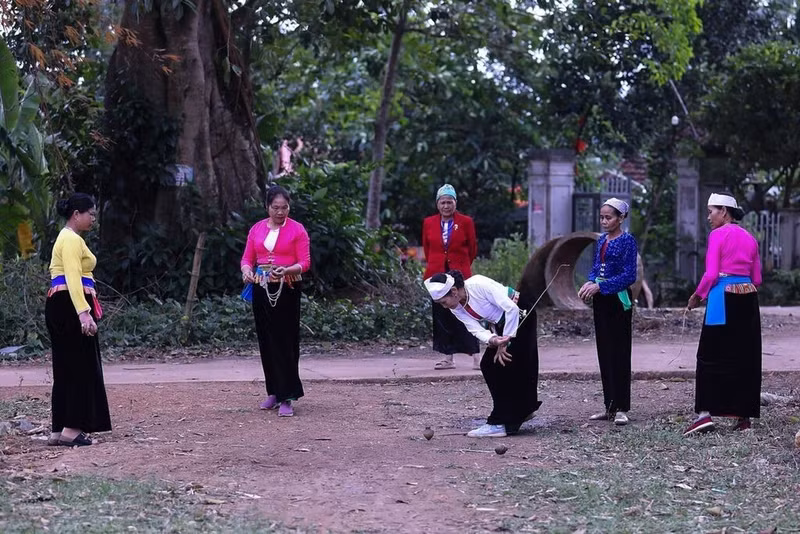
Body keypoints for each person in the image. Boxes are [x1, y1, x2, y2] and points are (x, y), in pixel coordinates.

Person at [424, 270, 541, 438]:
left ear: (454, 291)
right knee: (493, 364)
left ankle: (502, 422)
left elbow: (511, 309)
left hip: (521, 313)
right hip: (502, 324)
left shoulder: (479, 284)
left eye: (444, 302)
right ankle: (522, 411)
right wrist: (493, 340)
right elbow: (474, 327)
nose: (444, 306)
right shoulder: (456, 306)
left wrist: (506, 341)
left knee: (503, 364)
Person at [683, 193, 762, 436]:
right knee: (744, 356)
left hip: (721, 299)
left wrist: (697, 296)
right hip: (748, 298)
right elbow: (757, 278)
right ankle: (743, 416)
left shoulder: (717, 235)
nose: (708, 217)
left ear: (724, 212)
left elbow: (711, 274)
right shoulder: (750, 238)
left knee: (709, 354)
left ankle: (704, 414)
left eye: (711, 211)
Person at [46, 193, 111, 447]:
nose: (93, 218)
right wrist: (83, 313)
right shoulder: (71, 240)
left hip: (60, 304)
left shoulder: (66, 238)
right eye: (90, 213)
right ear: (76, 214)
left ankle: (59, 429)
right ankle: (71, 430)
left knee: (64, 366)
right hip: (70, 305)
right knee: (79, 366)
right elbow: (73, 277)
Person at [241, 185, 311, 417]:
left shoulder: (298, 230)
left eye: (285, 207)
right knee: (266, 340)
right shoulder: (256, 229)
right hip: (262, 287)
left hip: (287, 288)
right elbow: (247, 259)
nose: (281, 212)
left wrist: (287, 269)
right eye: (276, 208)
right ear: (267, 207)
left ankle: (287, 396)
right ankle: (273, 391)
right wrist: (246, 271)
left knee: (285, 341)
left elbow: (305, 263)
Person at [578, 198, 638, 426]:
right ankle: (609, 406)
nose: (604, 221)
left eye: (609, 217)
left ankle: (622, 407)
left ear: (620, 218)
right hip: (601, 299)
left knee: (619, 351)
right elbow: (596, 267)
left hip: (618, 299)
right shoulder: (602, 240)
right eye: (602, 217)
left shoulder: (627, 241)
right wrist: (590, 281)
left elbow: (629, 275)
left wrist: (601, 285)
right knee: (604, 350)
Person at [422, 184, 480, 370]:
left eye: (449, 202)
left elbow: (472, 249)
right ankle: (448, 358)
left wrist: (460, 267)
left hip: (459, 274)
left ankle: (476, 357)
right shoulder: (429, 223)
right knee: (442, 316)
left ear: (455, 203)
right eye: (443, 202)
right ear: (437, 204)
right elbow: (427, 248)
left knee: (466, 313)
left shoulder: (466, 222)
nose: (446, 206)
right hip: (437, 275)